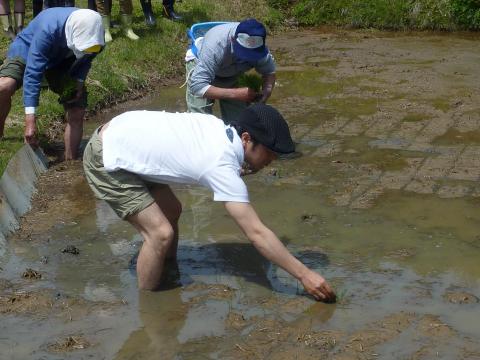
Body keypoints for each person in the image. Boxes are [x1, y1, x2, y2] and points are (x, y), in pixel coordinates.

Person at [83, 103, 336, 302]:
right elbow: (257, 233)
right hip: (107, 156)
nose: (272, 159)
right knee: (160, 233)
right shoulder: (220, 163)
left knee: (172, 210)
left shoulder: (221, 130)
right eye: (269, 152)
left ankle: (167, 267)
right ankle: (150, 303)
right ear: (247, 139)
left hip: (125, 136)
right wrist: (304, 275)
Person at [0, 8, 104, 160]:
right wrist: (30, 121)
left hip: (61, 61)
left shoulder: (96, 39)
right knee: (4, 86)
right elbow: (32, 73)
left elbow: (86, 61)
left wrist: (79, 83)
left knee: (77, 108)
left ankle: (70, 161)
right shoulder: (48, 30)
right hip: (27, 50)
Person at [185, 19, 276, 123]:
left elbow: (269, 72)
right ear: (233, 40)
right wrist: (236, 94)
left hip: (230, 73)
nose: (247, 58)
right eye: (244, 53)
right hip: (202, 66)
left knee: (240, 124)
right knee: (200, 121)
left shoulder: (259, 48)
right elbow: (198, 87)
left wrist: (265, 93)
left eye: (252, 55)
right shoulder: (216, 45)